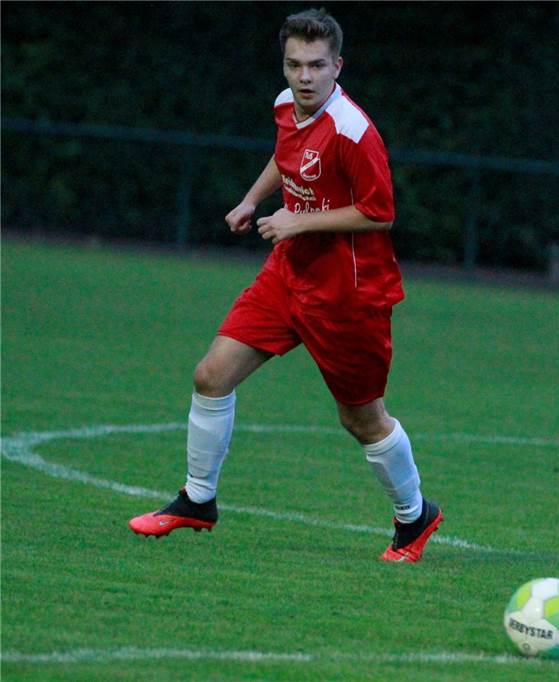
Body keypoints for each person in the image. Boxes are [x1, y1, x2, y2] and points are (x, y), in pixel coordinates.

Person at [128, 8, 443, 563]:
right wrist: (254, 199)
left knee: (362, 418)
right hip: (288, 274)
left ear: (337, 66)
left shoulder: (353, 131)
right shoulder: (284, 105)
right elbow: (286, 158)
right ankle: (197, 499)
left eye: (317, 66)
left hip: (348, 294)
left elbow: (380, 212)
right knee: (210, 376)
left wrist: (298, 221)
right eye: (295, 64)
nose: (304, 76)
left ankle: (415, 514)